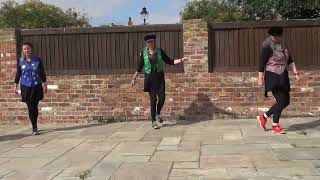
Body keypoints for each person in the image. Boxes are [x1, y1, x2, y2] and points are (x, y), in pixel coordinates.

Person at [131, 34, 188, 129]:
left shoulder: (160, 51)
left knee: (162, 98)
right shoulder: (144, 53)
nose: (150, 43)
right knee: (153, 100)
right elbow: (139, 67)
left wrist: (182, 60)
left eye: (152, 41)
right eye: (148, 42)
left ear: (154, 42)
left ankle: (157, 113)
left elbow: (170, 61)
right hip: (150, 79)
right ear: (146, 43)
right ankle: (153, 121)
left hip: (159, 77)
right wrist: (134, 78)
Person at [257, 27, 300, 134]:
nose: (275, 38)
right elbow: (261, 63)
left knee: (286, 101)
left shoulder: (283, 45)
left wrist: (295, 72)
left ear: (280, 36)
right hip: (272, 75)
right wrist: (260, 78)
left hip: (283, 75)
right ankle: (275, 125)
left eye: (277, 36)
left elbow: (290, 60)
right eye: (273, 36)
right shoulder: (267, 46)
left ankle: (264, 116)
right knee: (281, 101)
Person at [14, 42, 47, 135]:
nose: (26, 50)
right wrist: (15, 84)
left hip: (36, 86)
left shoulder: (37, 60)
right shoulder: (20, 60)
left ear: (31, 50)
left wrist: (45, 83)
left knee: (34, 106)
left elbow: (42, 72)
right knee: (30, 106)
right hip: (26, 86)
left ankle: (35, 124)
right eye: (24, 49)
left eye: (28, 48)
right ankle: (34, 127)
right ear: (23, 51)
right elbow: (18, 73)